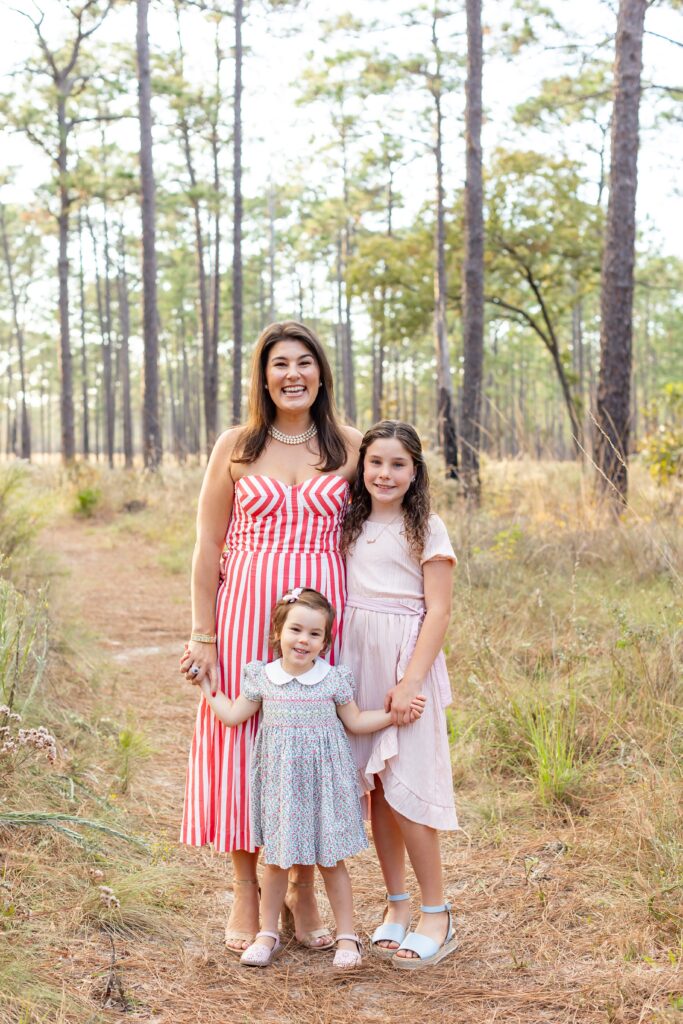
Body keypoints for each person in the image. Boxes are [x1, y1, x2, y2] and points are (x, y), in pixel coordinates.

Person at [179, 321, 361, 954]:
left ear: (321, 373)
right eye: (279, 363)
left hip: (320, 618)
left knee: (307, 744)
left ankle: (303, 887)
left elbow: (389, 522)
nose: (292, 374)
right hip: (244, 612)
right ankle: (246, 889)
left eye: (304, 362)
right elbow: (207, 545)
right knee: (240, 740)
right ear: (263, 375)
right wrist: (203, 633)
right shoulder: (235, 444)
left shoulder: (350, 446)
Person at [199, 588, 426, 969]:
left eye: (314, 634)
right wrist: (206, 688)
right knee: (276, 861)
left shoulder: (332, 679)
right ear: (279, 633)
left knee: (332, 861)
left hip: (325, 786)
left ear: (326, 641)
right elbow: (233, 715)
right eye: (296, 630)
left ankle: (347, 938)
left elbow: (355, 722)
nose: (303, 640)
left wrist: (393, 715)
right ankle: (267, 933)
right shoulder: (263, 677)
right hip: (282, 787)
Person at [340, 420, 459, 970]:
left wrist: (411, 680)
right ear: (361, 466)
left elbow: (438, 610)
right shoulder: (350, 520)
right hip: (357, 657)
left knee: (408, 786)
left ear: (416, 473)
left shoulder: (426, 528)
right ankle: (397, 903)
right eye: (375, 462)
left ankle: (437, 912)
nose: (385, 474)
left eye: (398, 464)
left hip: (402, 661)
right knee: (378, 793)